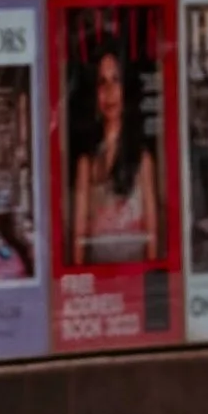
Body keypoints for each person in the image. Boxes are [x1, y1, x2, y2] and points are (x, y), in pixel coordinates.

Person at [71, 41, 161, 267]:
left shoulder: (142, 159)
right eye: (102, 82)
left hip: (134, 278)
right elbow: (79, 231)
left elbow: (151, 228)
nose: (109, 92)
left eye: (115, 80)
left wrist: (150, 283)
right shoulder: (87, 162)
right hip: (101, 284)